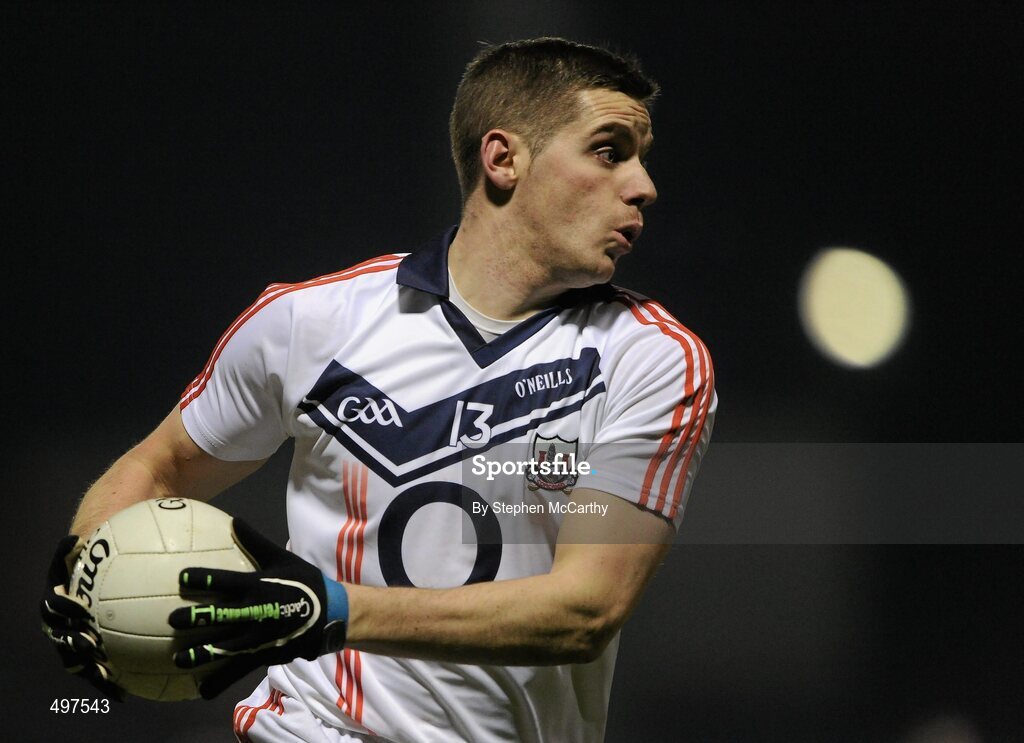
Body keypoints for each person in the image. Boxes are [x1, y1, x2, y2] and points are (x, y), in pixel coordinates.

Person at [41, 37, 717, 742]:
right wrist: (86, 575)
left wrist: (329, 610)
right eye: (609, 151)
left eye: (640, 158)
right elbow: (161, 464)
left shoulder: (653, 360)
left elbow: (586, 609)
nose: (643, 185)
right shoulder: (307, 321)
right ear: (503, 158)